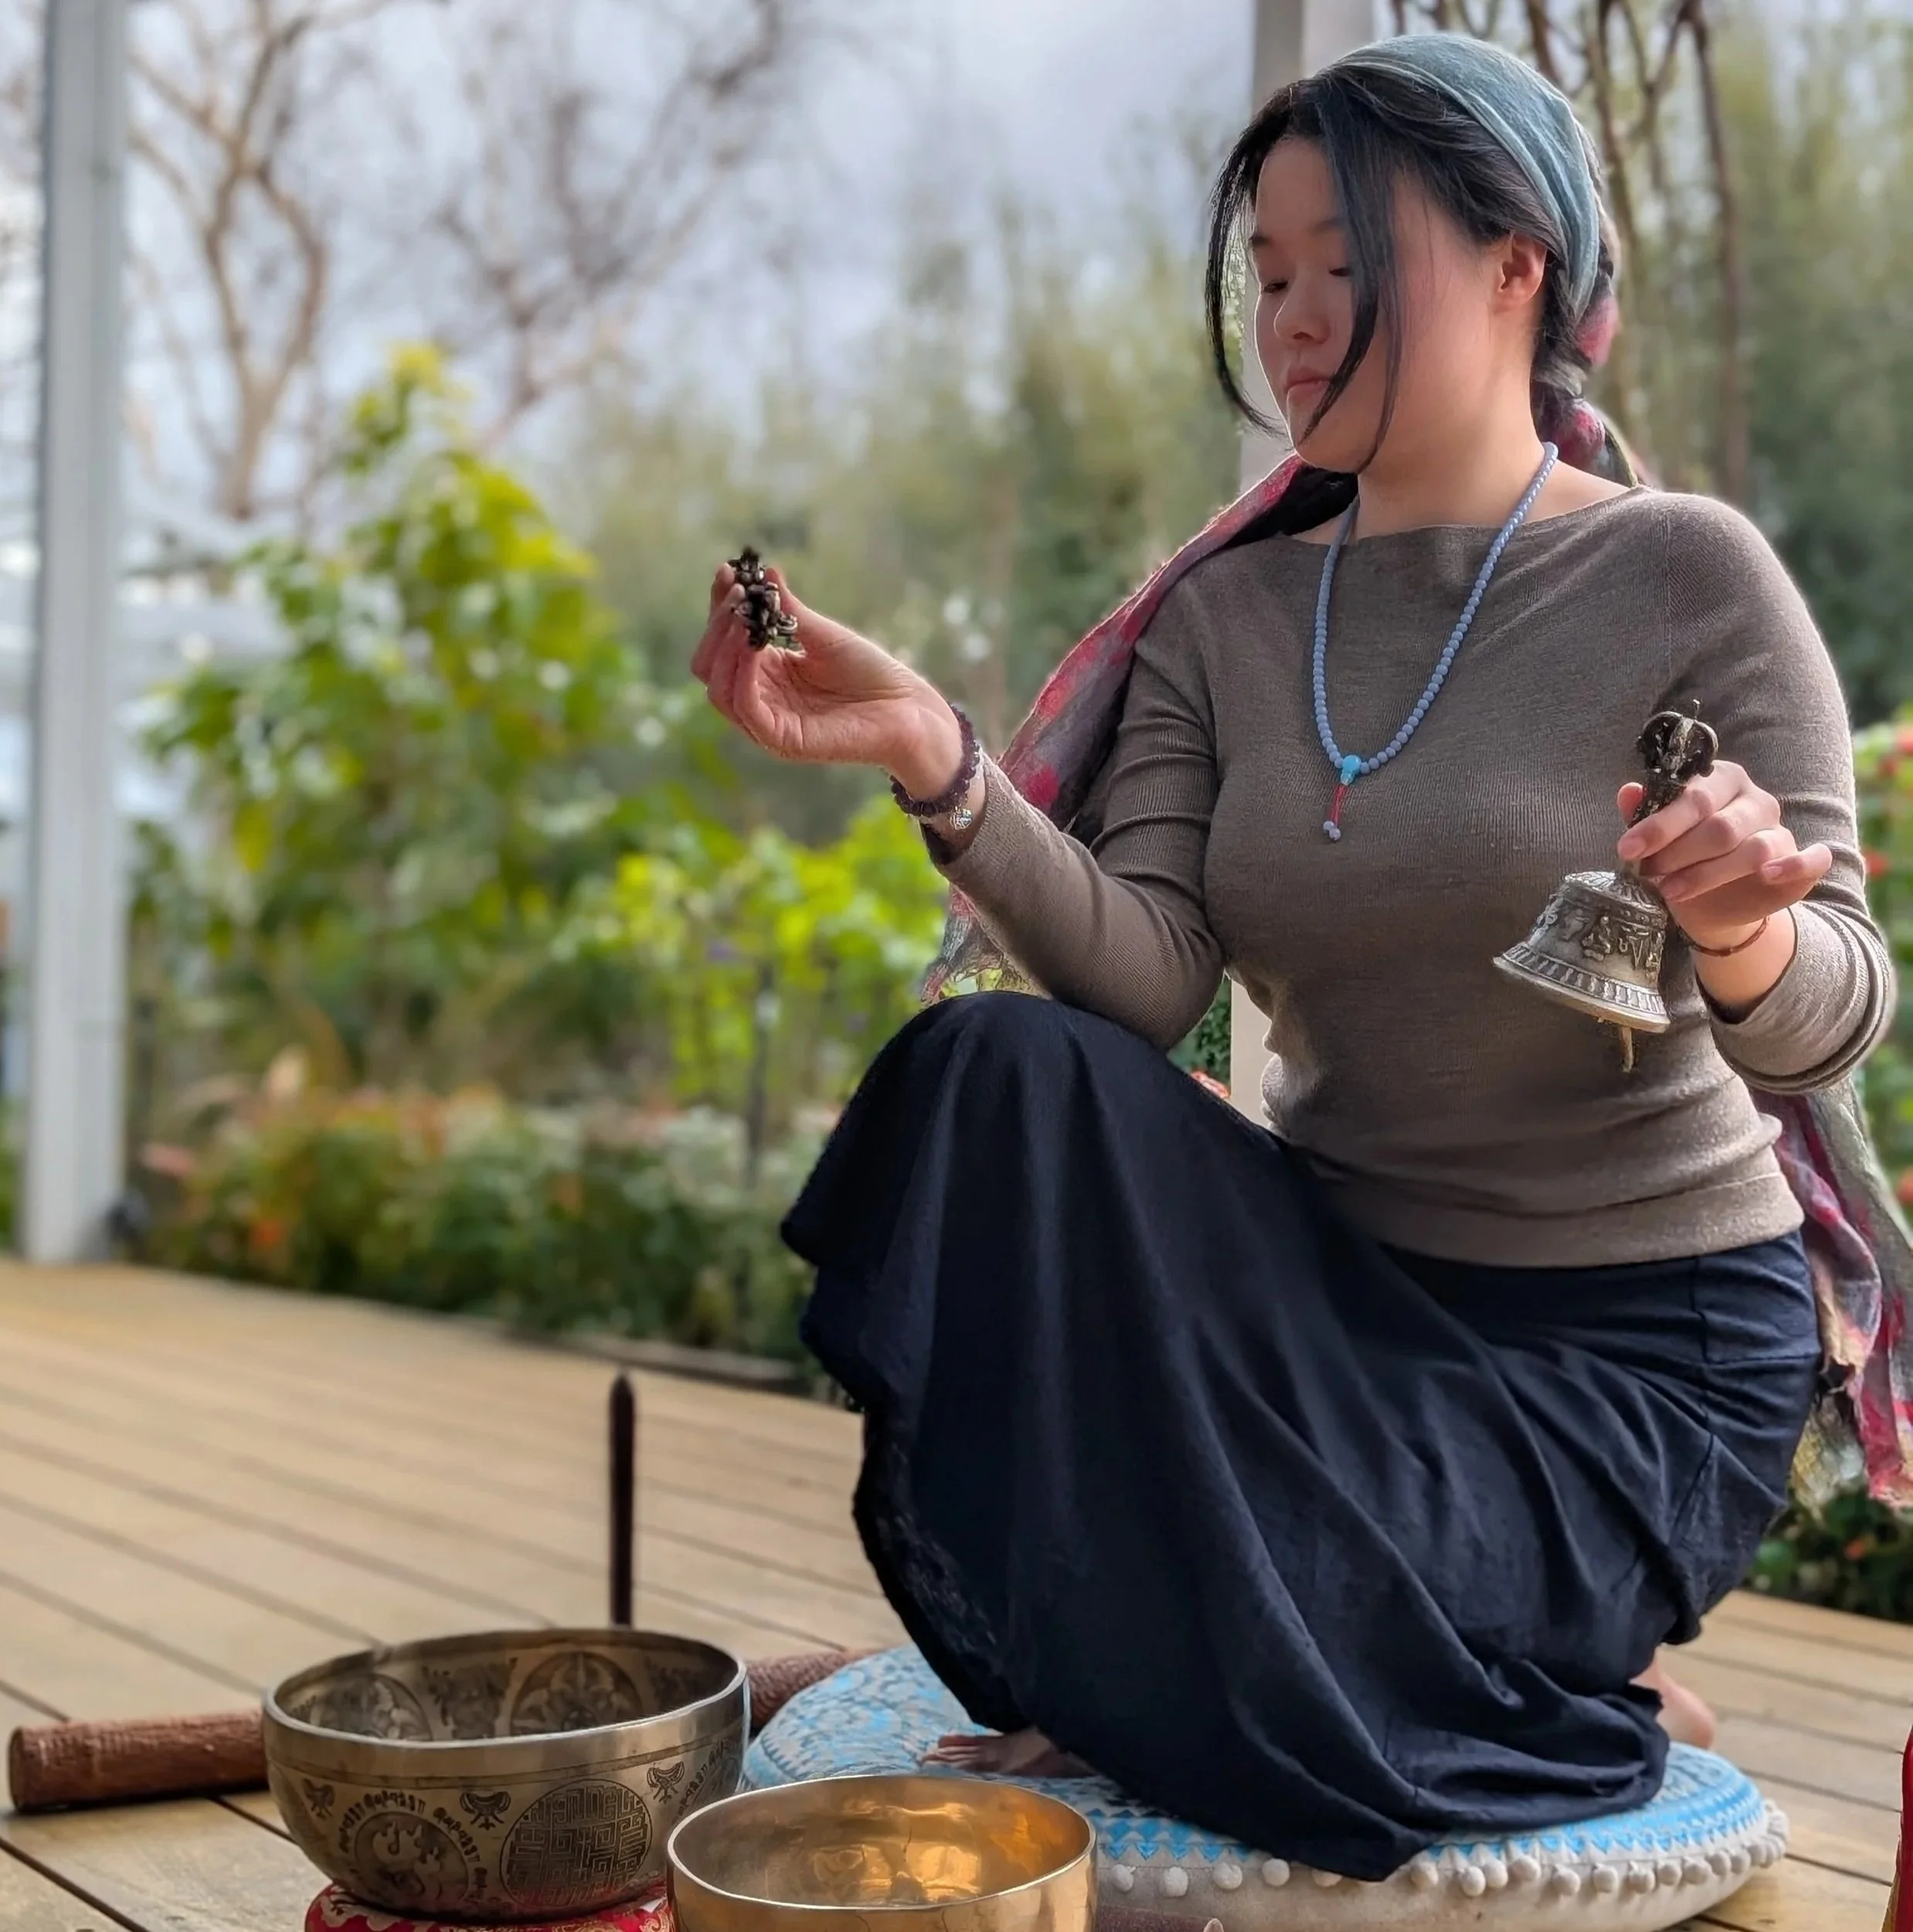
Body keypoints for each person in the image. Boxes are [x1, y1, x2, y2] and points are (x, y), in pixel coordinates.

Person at [688, 33, 1891, 1883]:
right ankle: (1462, 1654)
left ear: (1518, 266)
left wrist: (1736, 926)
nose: (1298, 316)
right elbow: (1150, 979)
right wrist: (936, 757)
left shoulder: (1683, 577)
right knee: (991, 1068)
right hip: (1336, 1310)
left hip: (1630, 1355)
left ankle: (1538, 1663)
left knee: (1208, 1635)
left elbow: (1832, 1018)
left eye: (1350, 262)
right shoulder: (1226, 615)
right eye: (1268, 274)